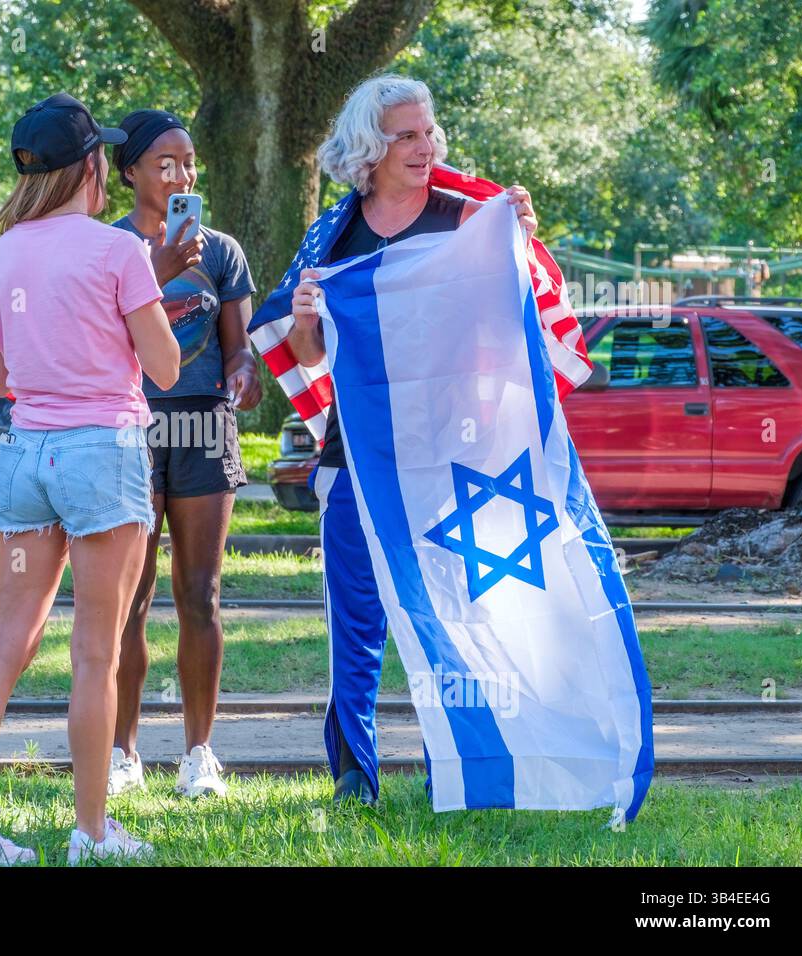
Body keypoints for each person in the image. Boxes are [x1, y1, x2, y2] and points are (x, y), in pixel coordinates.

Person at [0, 93, 180, 865]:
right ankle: (93, 833)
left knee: (8, 642)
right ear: (93, 166)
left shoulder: (1, 254)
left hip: (22, 460)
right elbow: (166, 367)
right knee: (94, 654)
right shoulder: (118, 252)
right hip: (101, 456)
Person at [281, 73, 538, 805]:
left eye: (430, 132)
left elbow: (508, 322)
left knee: (450, 619)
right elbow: (307, 355)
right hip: (356, 455)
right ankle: (355, 778)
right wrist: (305, 313)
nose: (426, 146)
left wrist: (516, 236)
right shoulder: (334, 232)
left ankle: (455, 775)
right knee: (356, 624)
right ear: (371, 146)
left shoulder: (466, 219)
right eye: (407, 136)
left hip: (451, 454)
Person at [107, 109, 261, 798]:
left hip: (203, 428)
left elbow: (239, 350)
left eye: (189, 161)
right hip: (128, 428)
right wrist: (152, 265)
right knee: (126, 600)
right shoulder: (103, 247)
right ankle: (121, 754)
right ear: (131, 172)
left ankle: (200, 754)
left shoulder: (221, 252)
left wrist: (242, 375)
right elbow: (95, 341)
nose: (181, 174)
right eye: (165, 163)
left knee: (200, 594)